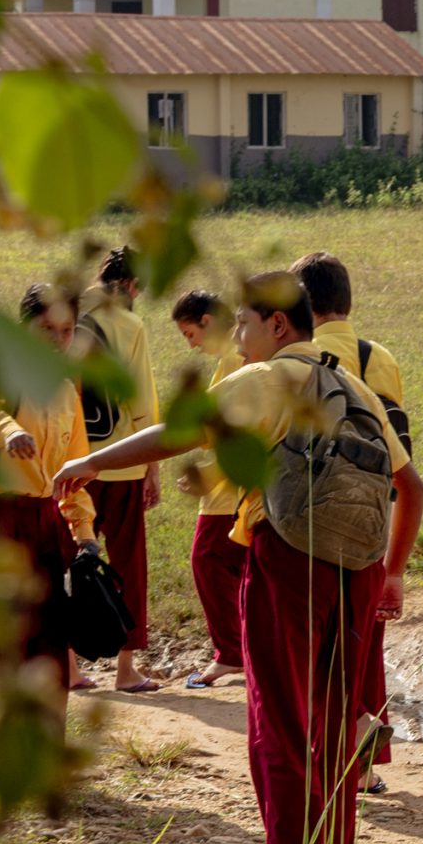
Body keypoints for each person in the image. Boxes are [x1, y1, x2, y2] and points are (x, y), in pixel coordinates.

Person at [58, 271, 423, 844]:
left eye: (247, 325)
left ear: (279, 325)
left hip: (289, 555)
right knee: (337, 722)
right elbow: (412, 484)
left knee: (279, 726)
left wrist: (88, 463)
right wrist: (394, 572)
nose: (241, 338)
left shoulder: (269, 376)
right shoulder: (354, 384)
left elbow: (178, 432)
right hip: (362, 564)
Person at [292, 250, 410, 790]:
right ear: (349, 301)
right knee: (362, 638)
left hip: (306, 518)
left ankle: (330, 756)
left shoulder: (292, 358)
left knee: (308, 647)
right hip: (372, 511)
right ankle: (366, 761)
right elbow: (396, 445)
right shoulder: (377, 357)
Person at [0, 283, 96, 689]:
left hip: (48, 523)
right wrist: (11, 432)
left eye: (67, 331)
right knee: (9, 639)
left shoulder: (66, 392)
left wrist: (84, 533)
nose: (59, 340)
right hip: (3, 520)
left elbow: (74, 472)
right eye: (47, 329)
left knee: (51, 644)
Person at [77, 247, 164, 693]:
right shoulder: (130, 325)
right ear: (131, 287)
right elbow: (143, 401)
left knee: (72, 562)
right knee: (128, 565)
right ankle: (125, 670)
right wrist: (151, 465)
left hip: (72, 462)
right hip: (122, 462)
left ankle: (68, 665)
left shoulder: (67, 315)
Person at [171, 288, 248, 692]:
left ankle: (232, 655)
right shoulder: (230, 358)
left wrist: (209, 473)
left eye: (190, 334)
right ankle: (244, 652)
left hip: (229, 491)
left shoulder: (236, 359)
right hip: (233, 485)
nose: (191, 344)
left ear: (206, 322)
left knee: (208, 560)